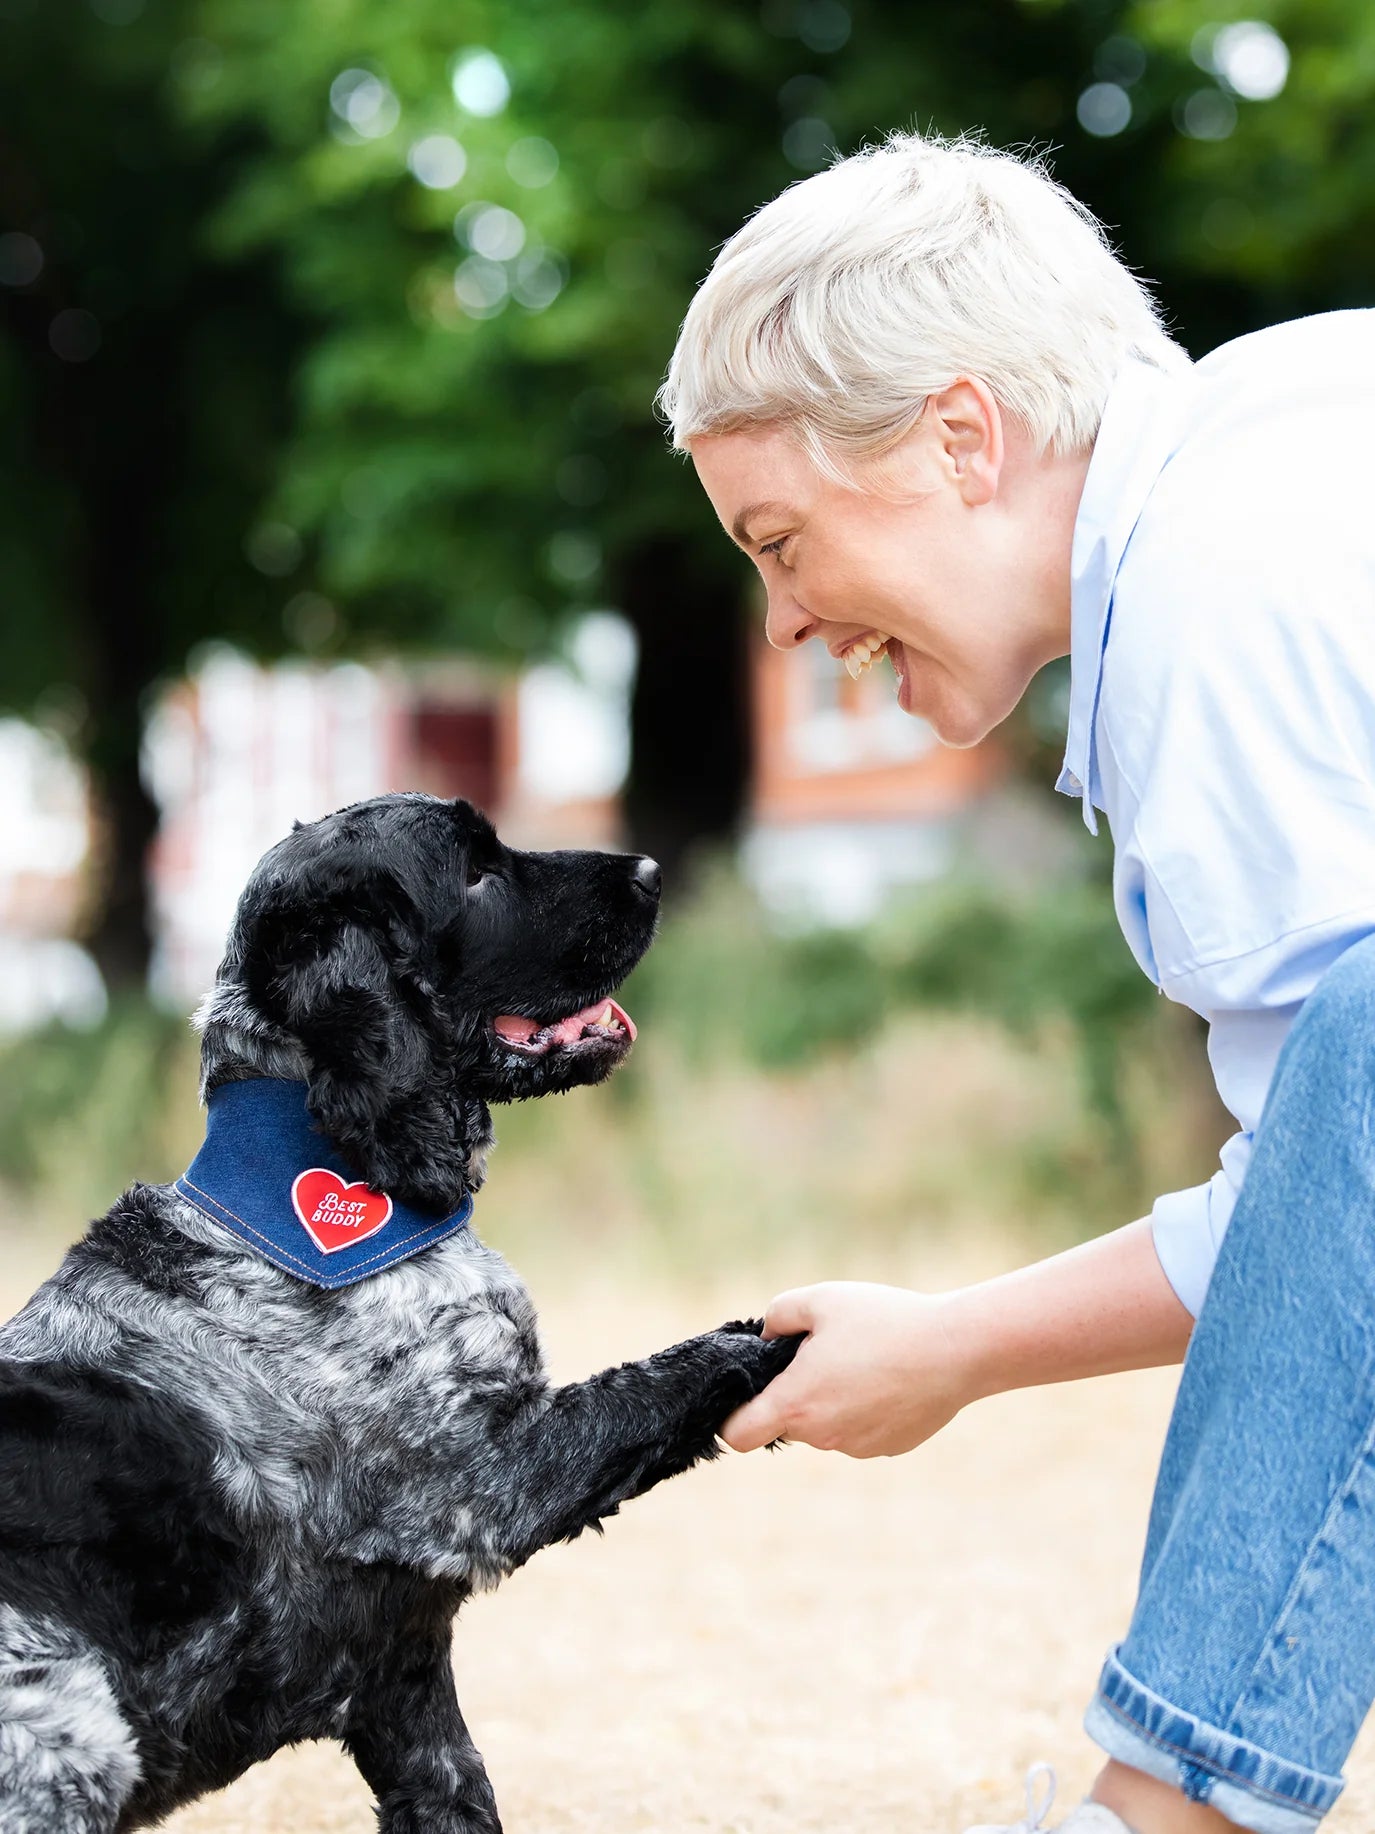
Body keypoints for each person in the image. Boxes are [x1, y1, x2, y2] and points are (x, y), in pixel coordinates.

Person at [657, 131, 1375, 1834]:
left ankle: (1169, 1803)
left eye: (781, 539)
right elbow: (1323, 1229)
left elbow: (1340, 1212)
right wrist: (956, 1344)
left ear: (962, 435)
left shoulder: (1219, 590)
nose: (781, 629)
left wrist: (961, 1346)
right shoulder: (1283, 435)